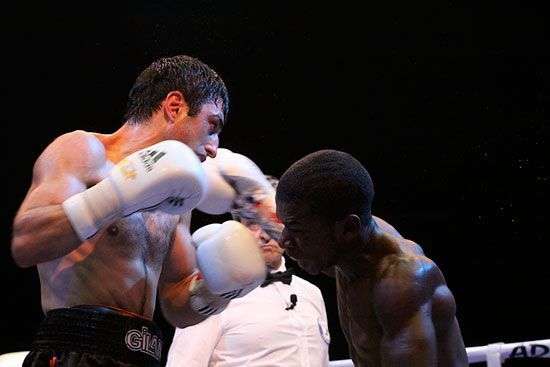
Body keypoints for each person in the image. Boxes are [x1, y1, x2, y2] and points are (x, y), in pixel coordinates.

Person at [10, 55, 269, 367]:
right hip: (74, 351)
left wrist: (217, 289)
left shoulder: (177, 200)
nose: (214, 147)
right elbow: (26, 244)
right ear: (175, 107)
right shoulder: (84, 151)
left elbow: (175, 304)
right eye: (211, 125)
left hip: (142, 355)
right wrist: (116, 195)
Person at [275, 149, 469, 367]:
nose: (283, 241)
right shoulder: (347, 243)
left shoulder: (402, 285)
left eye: (295, 229)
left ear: (348, 229)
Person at [166, 176, 330, 367]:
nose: (264, 234)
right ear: (238, 228)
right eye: (253, 224)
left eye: (273, 222)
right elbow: (183, 363)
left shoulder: (312, 293)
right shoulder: (217, 287)